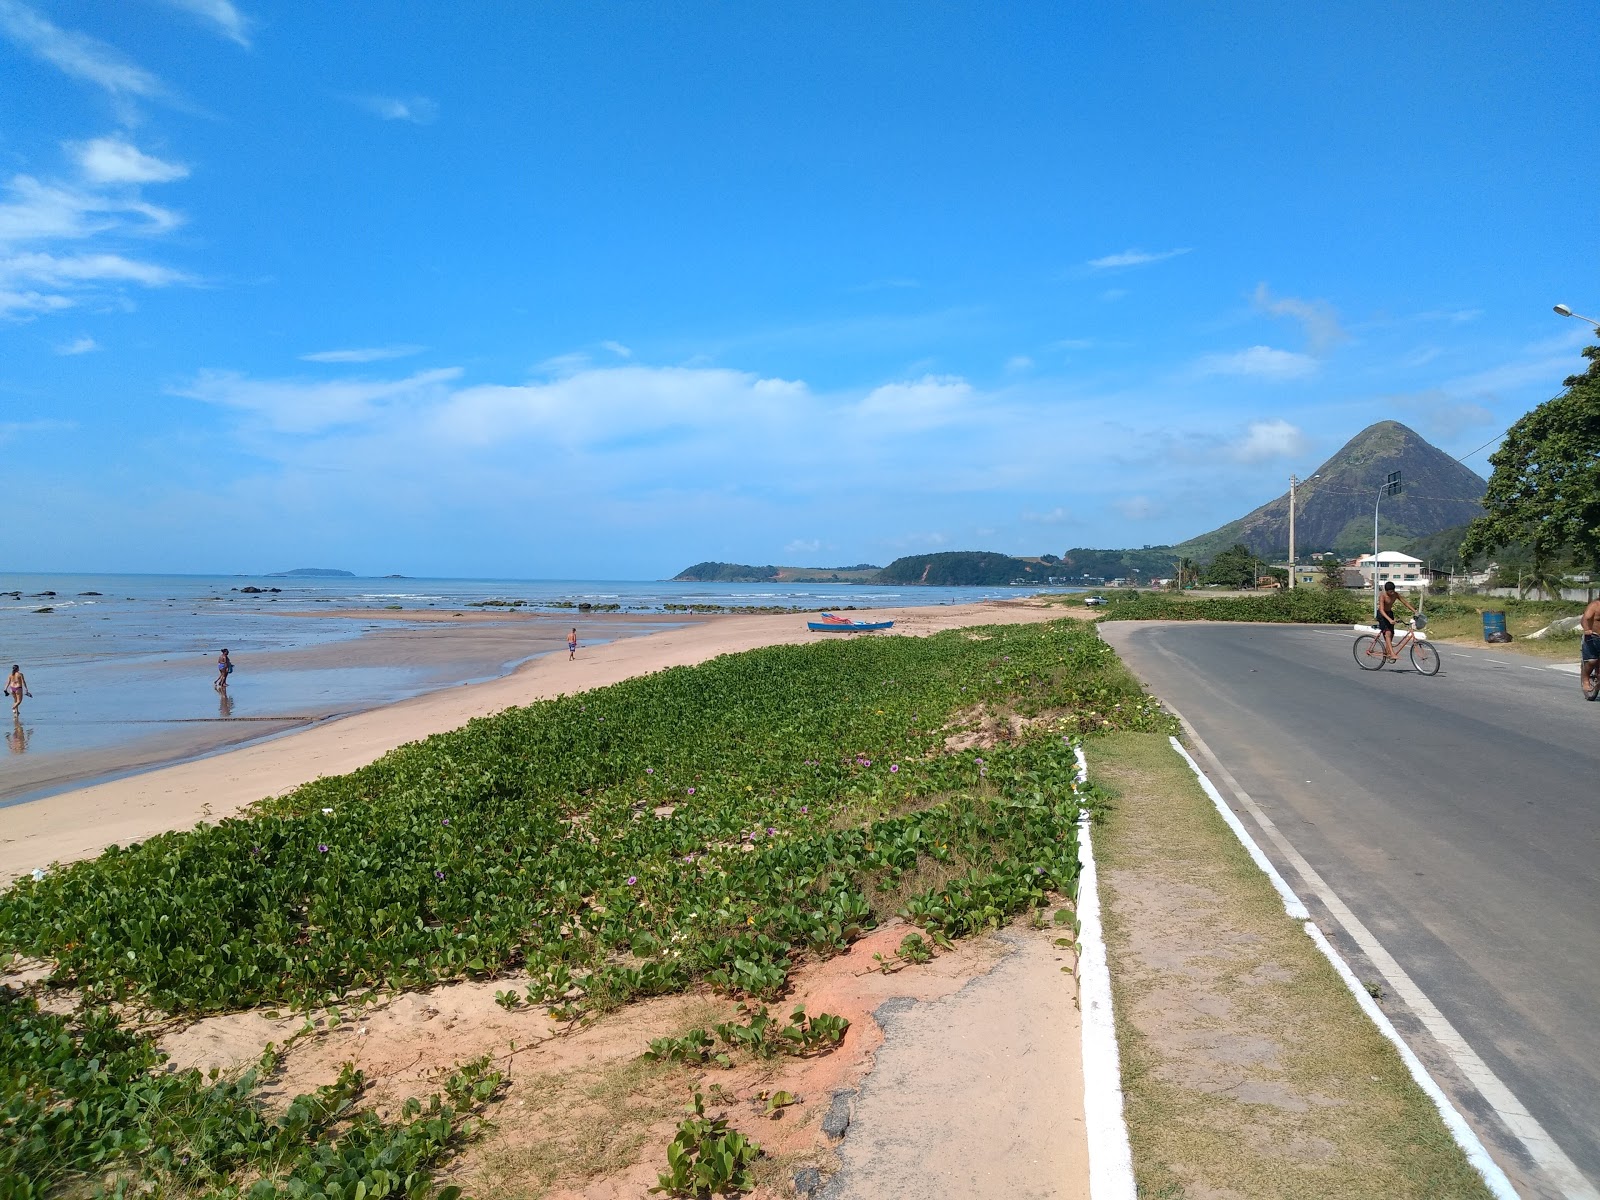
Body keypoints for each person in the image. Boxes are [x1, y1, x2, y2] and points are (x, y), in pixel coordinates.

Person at [1371, 581, 1415, 662]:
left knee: (1391, 634)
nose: (1392, 592)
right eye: (1390, 591)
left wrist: (1415, 611)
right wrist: (1389, 620)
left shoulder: (1395, 594)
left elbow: (1405, 602)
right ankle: (1392, 653)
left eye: (1393, 590)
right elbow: (1381, 609)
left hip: (1389, 613)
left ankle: (1388, 653)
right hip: (1382, 615)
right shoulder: (1383, 596)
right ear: (1386, 591)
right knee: (1387, 633)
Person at [1581, 597, 1600, 696]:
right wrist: (1587, 629)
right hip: (1594, 637)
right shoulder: (1595, 605)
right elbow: (1585, 618)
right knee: (1592, 660)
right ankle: (1585, 680)